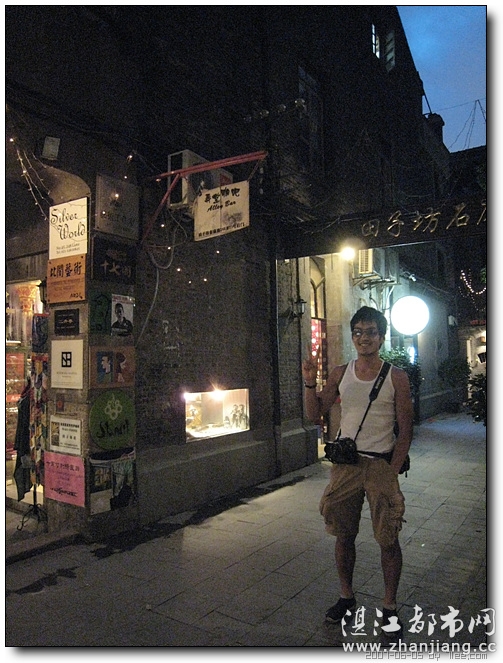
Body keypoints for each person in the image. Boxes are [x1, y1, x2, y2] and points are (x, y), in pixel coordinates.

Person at [302, 306, 413, 638]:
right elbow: (314, 414)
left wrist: (392, 471)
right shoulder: (340, 373)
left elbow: (406, 430)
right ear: (353, 337)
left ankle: (389, 606)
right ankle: (346, 596)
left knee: (388, 537)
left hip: (380, 465)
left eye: (371, 332)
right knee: (343, 534)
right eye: (359, 332)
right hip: (346, 466)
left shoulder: (396, 376)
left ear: (382, 336)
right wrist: (309, 381)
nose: (364, 338)